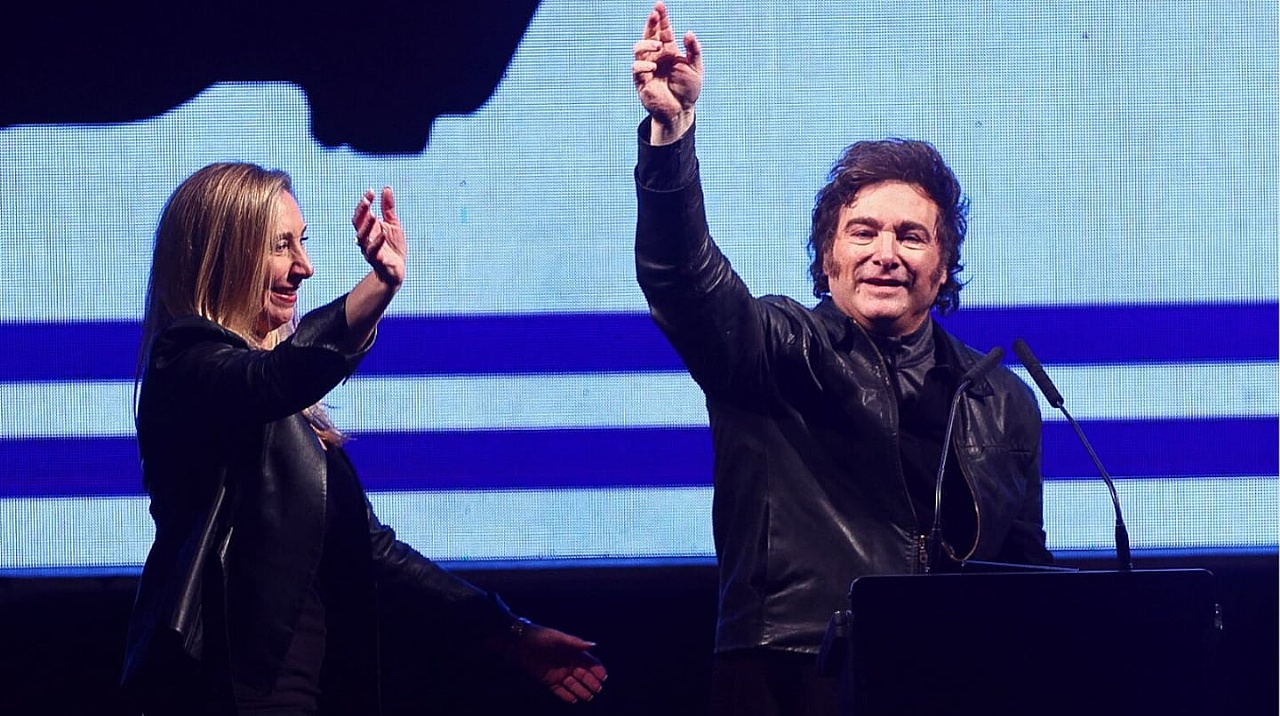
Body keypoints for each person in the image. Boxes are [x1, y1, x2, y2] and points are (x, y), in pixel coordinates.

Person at [631, 4, 1053, 715]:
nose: (886, 253)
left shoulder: (1000, 398)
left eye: (911, 237)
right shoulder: (774, 351)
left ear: (943, 267)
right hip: (796, 672)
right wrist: (671, 136)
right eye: (863, 233)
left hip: (957, 681)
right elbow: (682, 278)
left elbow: (1027, 573)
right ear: (827, 258)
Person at [121, 162, 607, 714]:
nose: (304, 267)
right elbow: (273, 379)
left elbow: (373, 550)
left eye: (302, 242)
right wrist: (380, 284)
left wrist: (506, 630)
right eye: (281, 246)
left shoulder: (285, 414)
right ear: (224, 254)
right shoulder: (184, 364)